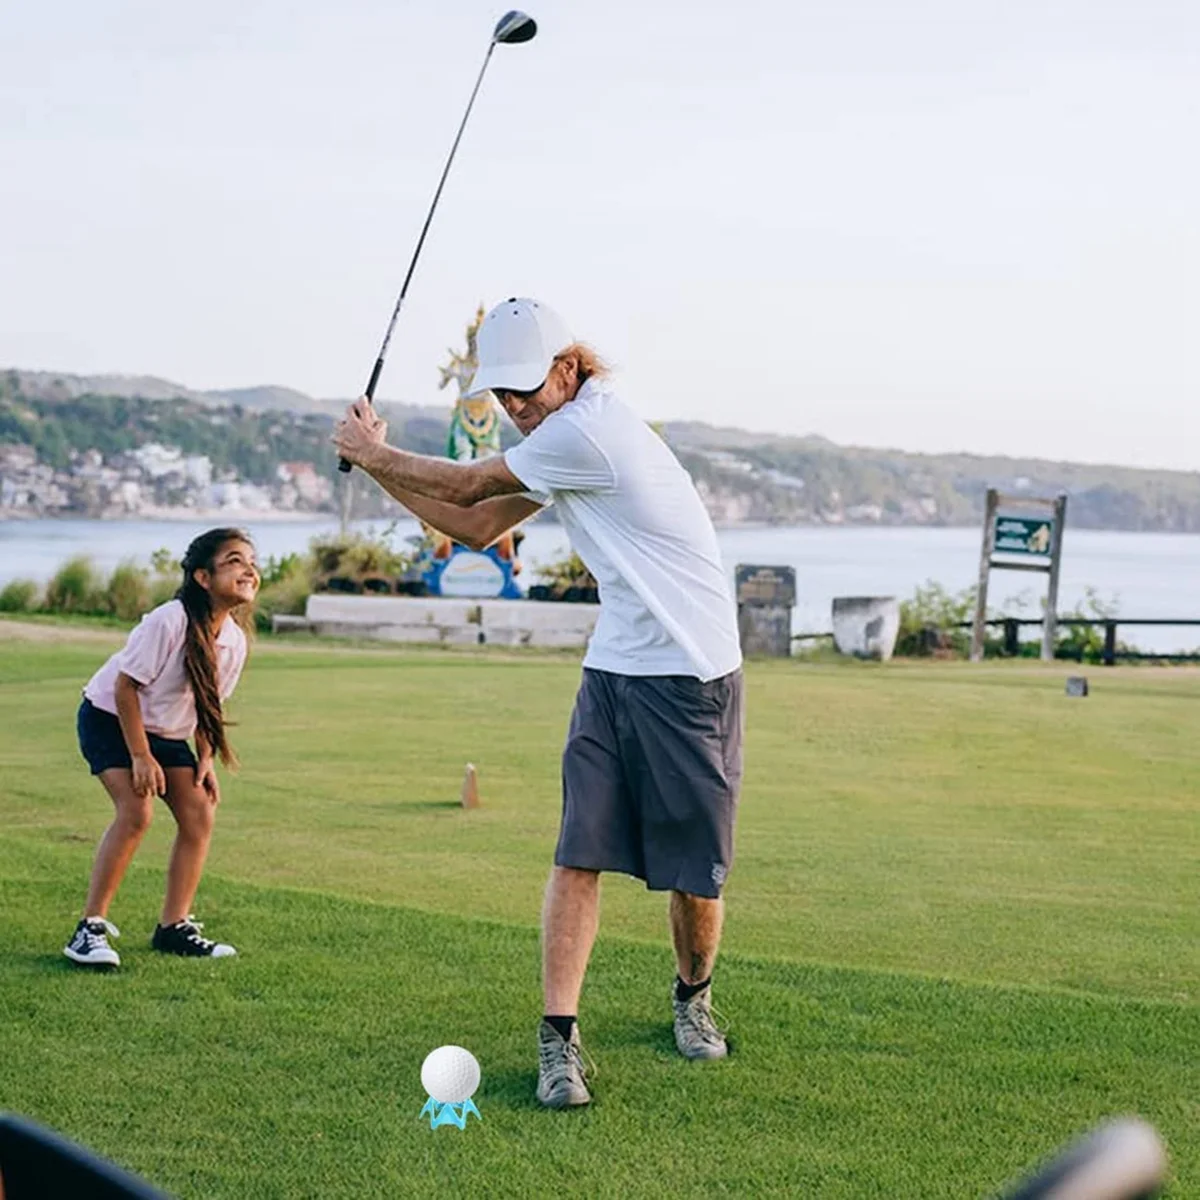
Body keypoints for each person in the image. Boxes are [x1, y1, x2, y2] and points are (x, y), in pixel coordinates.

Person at [334, 297, 745, 1109]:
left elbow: (471, 478)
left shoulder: (587, 429)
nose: (515, 407)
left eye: (526, 388)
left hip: (691, 673)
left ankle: (692, 999)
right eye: (502, 395)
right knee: (577, 854)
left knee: (694, 875)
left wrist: (374, 449)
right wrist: (378, 465)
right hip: (614, 668)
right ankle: (559, 1041)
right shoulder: (556, 441)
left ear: (568, 367)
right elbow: (478, 525)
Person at [63, 528, 260, 968]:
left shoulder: (234, 641)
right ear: (203, 577)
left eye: (252, 561)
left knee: (199, 813)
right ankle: (88, 929)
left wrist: (205, 760)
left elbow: (210, 704)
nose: (249, 569)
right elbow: (125, 686)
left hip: (168, 735)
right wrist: (139, 756)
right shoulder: (169, 620)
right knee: (137, 812)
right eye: (234, 560)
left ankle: (173, 927)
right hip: (110, 719)